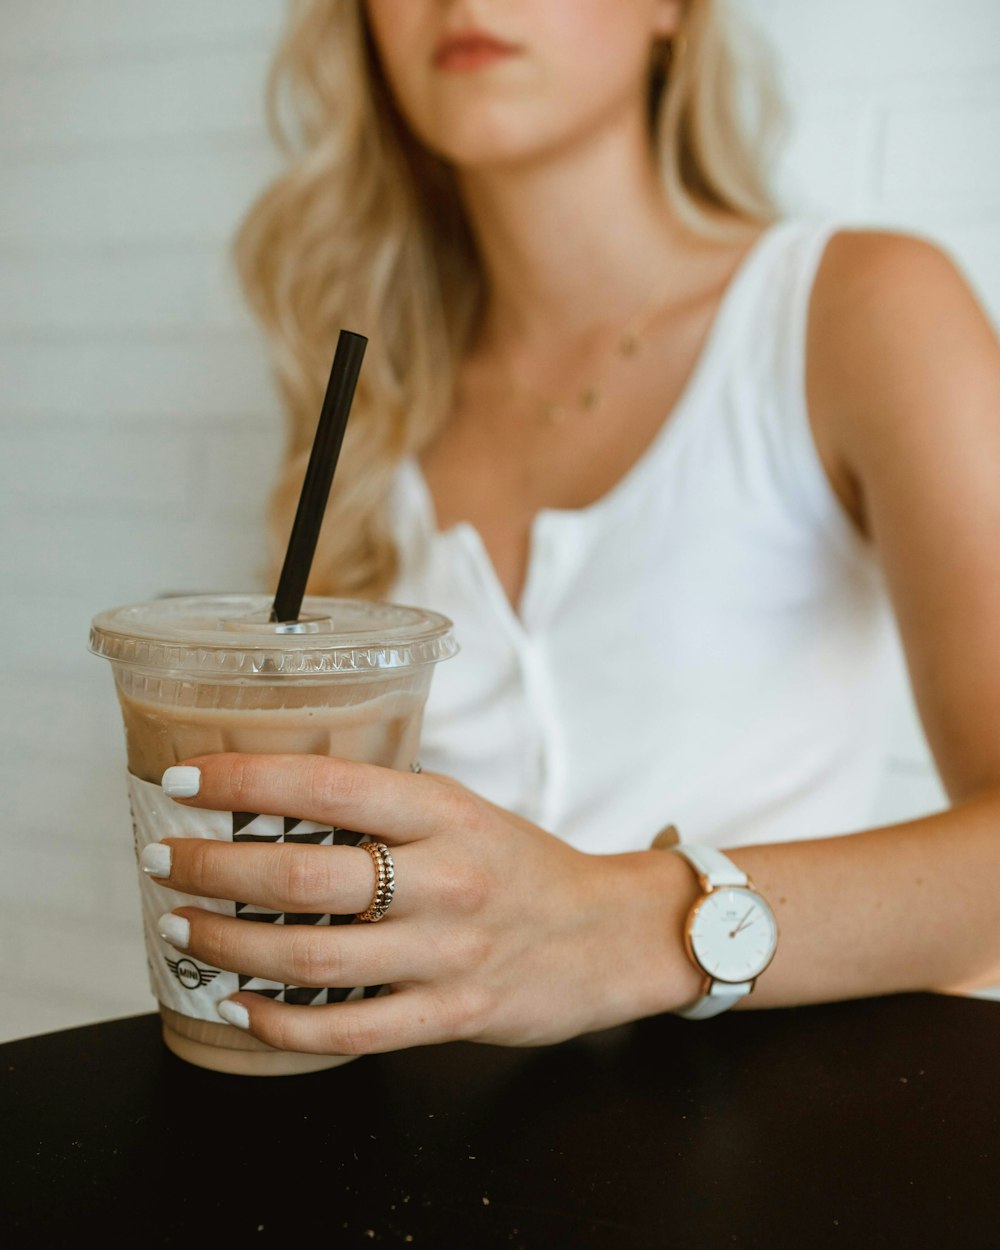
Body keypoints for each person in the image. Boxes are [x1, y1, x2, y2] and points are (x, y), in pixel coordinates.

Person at [145, 0, 1000, 1053]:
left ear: (672, 12)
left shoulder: (859, 311)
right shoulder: (363, 404)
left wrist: (630, 928)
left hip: (761, 1155)